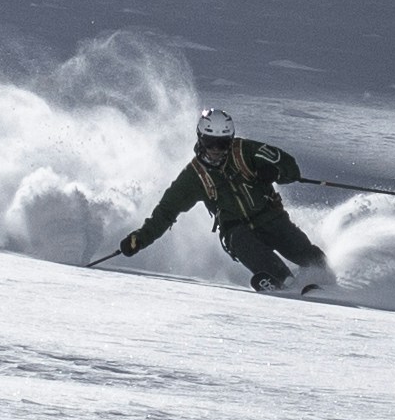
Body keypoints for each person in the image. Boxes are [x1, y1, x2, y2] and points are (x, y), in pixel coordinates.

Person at [119, 108, 330, 291]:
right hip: (236, 230)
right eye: (210, 143)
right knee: (248, 246)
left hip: (271, 218)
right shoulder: (193, 177)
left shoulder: (245, 151)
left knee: (306, 255)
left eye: (222, 143)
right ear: (200, 139)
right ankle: (283, 283)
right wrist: (140, 239)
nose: (216, 150)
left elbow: (289, 166)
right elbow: (166, 212)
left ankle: (326, 283)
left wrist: (273, 171)